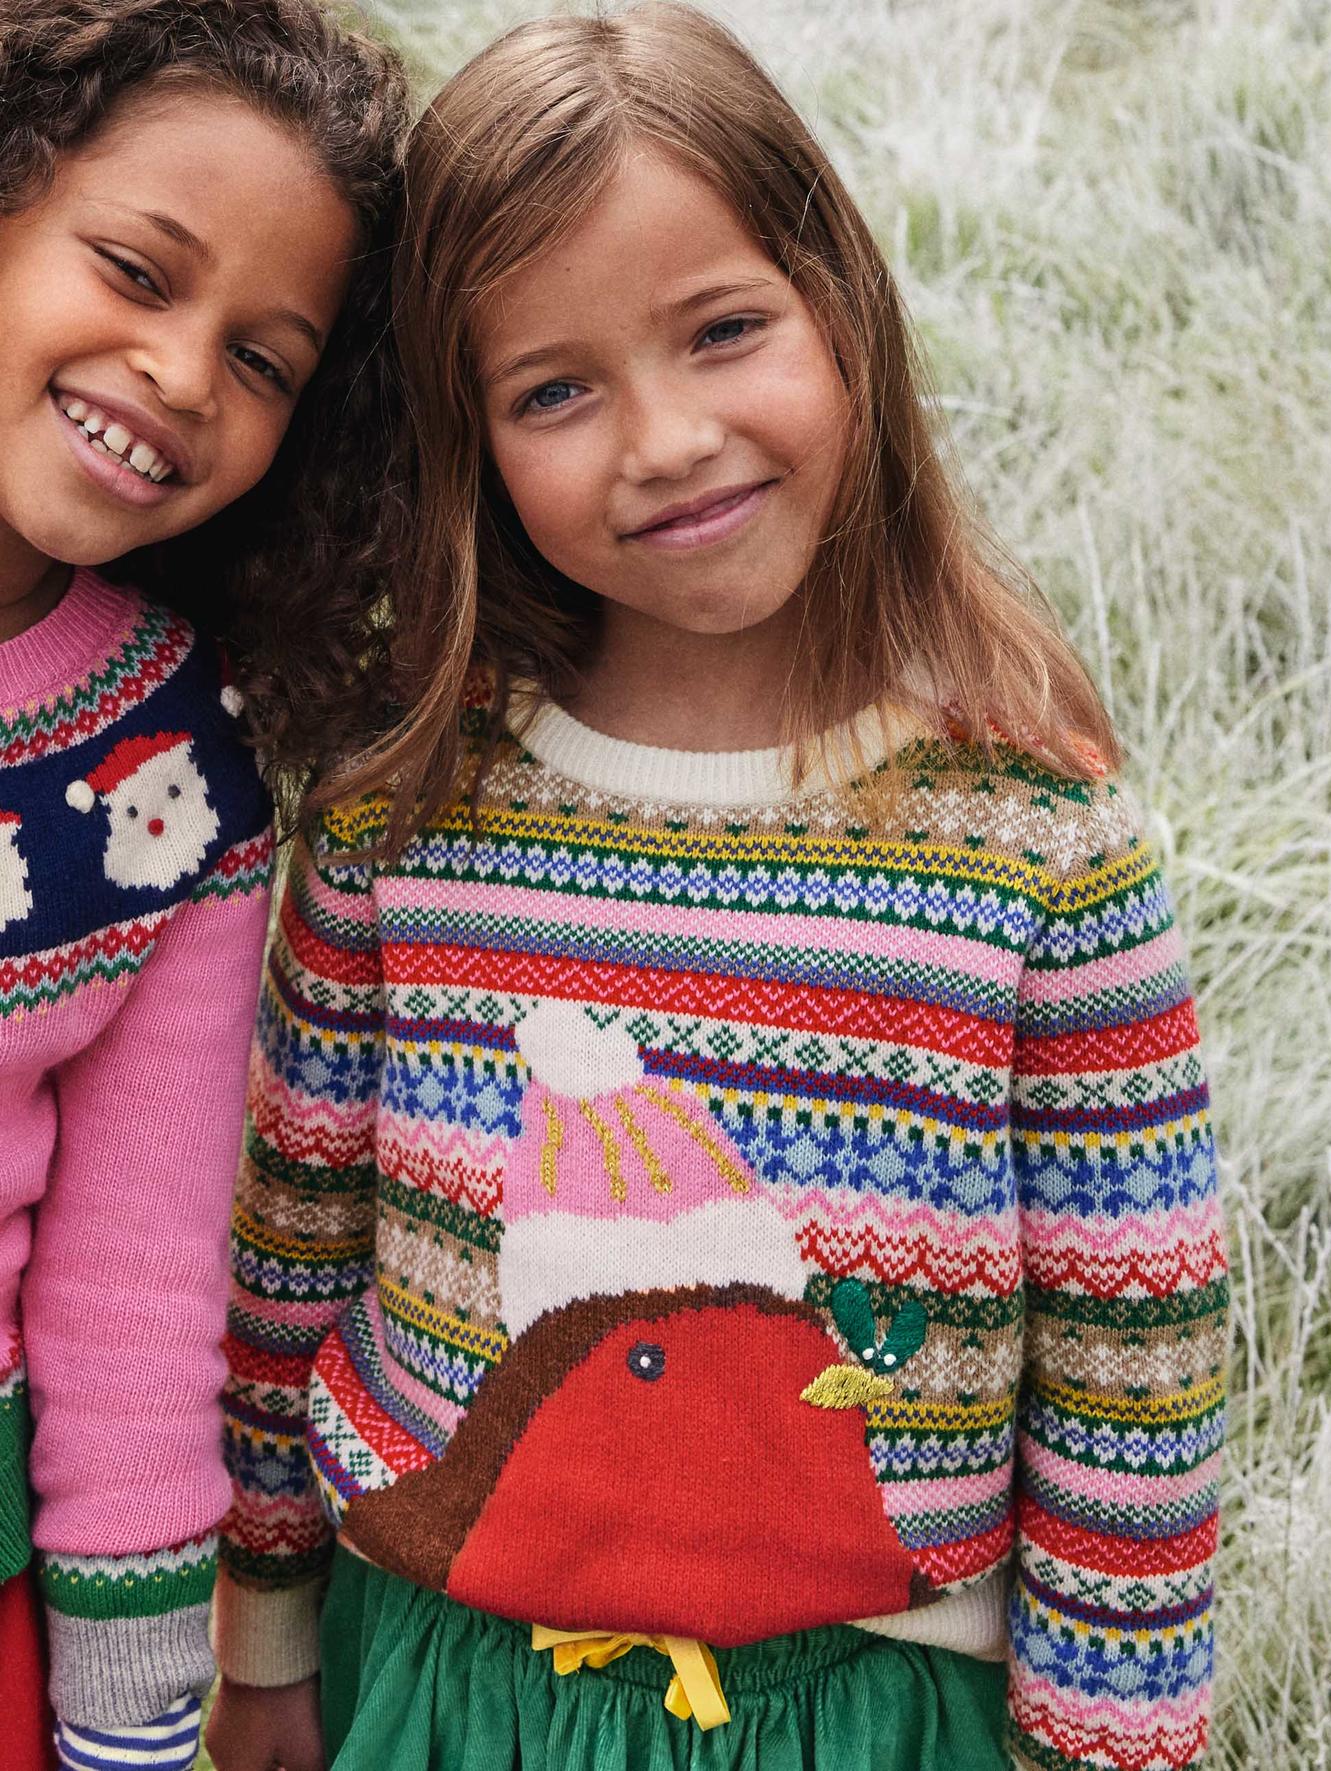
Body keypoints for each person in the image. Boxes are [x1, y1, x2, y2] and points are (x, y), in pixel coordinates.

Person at [208, 7, 1228, 1770]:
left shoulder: (1034, 842)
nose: (666, 439)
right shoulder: (401, 818)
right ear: (470, 445)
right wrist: (270, 1640)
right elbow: (295, 1249)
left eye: (723, 330)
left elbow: (1133, 1355)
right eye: (554, 389)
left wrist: (1111, 1742)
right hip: (442, 1682)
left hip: (869, 1706)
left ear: (839, 310)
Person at [0, 2, 408, 1767]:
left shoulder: (174, 771)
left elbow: (138, 1283)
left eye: (265, 360)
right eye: (134, 269)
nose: (179, 372)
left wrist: (130, 1705)